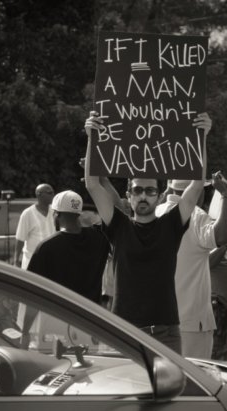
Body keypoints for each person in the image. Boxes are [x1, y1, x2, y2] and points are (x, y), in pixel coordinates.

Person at [84, 111, 212, 354]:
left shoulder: (171, 224)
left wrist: (201, 136)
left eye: (150, 191)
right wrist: (92, 136)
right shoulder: (119, 225)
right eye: (138, 190)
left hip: (166, 332)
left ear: (159, 194)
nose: (143, 195)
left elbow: (196, 184)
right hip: (123, 329)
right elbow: (92, 184)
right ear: (129, 195)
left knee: (169, 392)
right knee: (127, 392)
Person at [156, 177, 227, 358]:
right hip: (190, 321)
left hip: (156, 319)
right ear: (197, 191)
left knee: (161, 378)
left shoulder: (155, 212)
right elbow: (220, 236)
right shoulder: (195, 215)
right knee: (193, 380)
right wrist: (225, 197)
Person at [27, 190, 110, 303]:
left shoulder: (46, 247)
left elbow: (32, 290)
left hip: (61, 314)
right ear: (79, 213)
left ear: (56, 214)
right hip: (91, 315)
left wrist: (24, 321)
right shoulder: (100, 237)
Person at [14, 183, 55, 269]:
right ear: (39, 194)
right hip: (32, 260)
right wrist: (16, 260)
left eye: (52, 192)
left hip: (51, 260)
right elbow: (20, 238)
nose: (52, 195)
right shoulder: (27, 213)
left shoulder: (54, 212)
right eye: (49, 192)